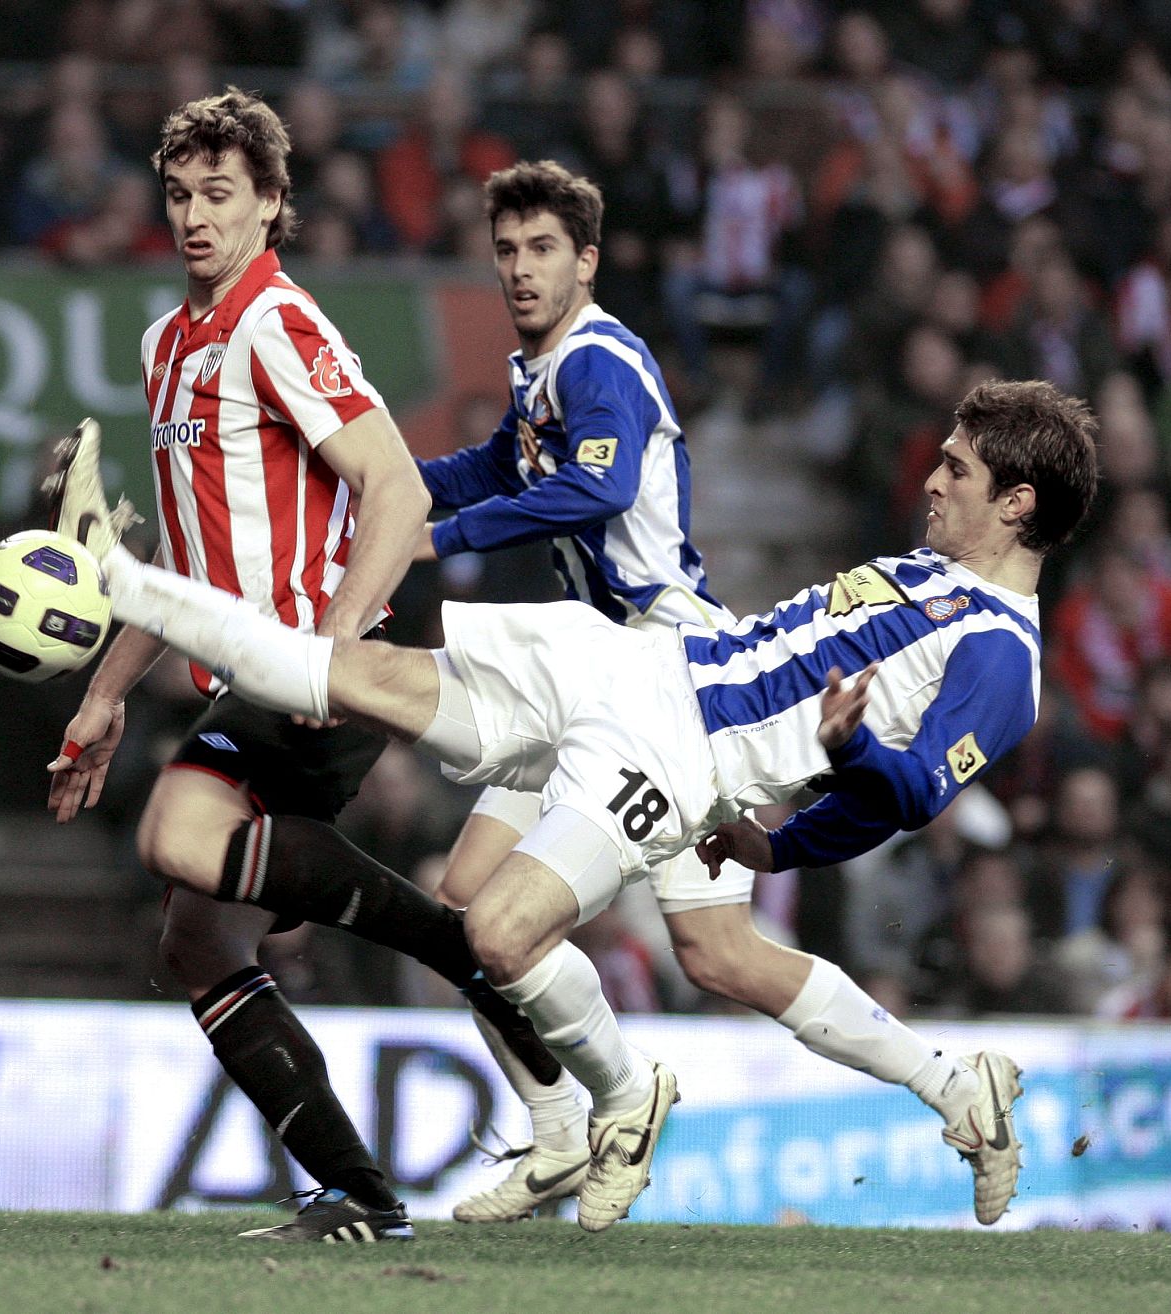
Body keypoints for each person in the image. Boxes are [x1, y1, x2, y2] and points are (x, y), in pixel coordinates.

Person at [50, 375, 1101, 1229]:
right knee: (349, 672)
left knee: (501, 931)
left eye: (957, 469)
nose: (932, 480)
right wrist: (775, 849)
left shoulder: (1001, 657)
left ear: (1017, 504)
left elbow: (910, 794)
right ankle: (119, 574)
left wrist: (832, 776)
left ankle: (624, 1094)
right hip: (631, 664)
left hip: (678, 757)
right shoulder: (929, 571)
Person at [43, 87, 554, 1246]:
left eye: (220, 194)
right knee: (197, 942)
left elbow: (398, 487)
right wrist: (105, 694)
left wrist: (337, 647)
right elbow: (183, 558)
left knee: (179, 834)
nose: (195, 216)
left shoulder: (277, 321)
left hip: (316, 668)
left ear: (272, 203)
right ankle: (363, 1200)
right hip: (254, 676)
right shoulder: (166, 347)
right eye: (179, 195)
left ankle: (460, 951)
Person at [407, 158, 736, 1221]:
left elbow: (594, 486)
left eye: (542, 248)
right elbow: (495, 467)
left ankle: (947, 1086)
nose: (519, 268)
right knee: (462, 909)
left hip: (660, 674)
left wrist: (440, 537)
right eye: (506, 250)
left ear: (586, 262)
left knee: (722, 955)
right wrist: (383, 486)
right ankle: (557, 1129)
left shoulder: (600, 360)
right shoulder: (538, 369)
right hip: (587, 669)